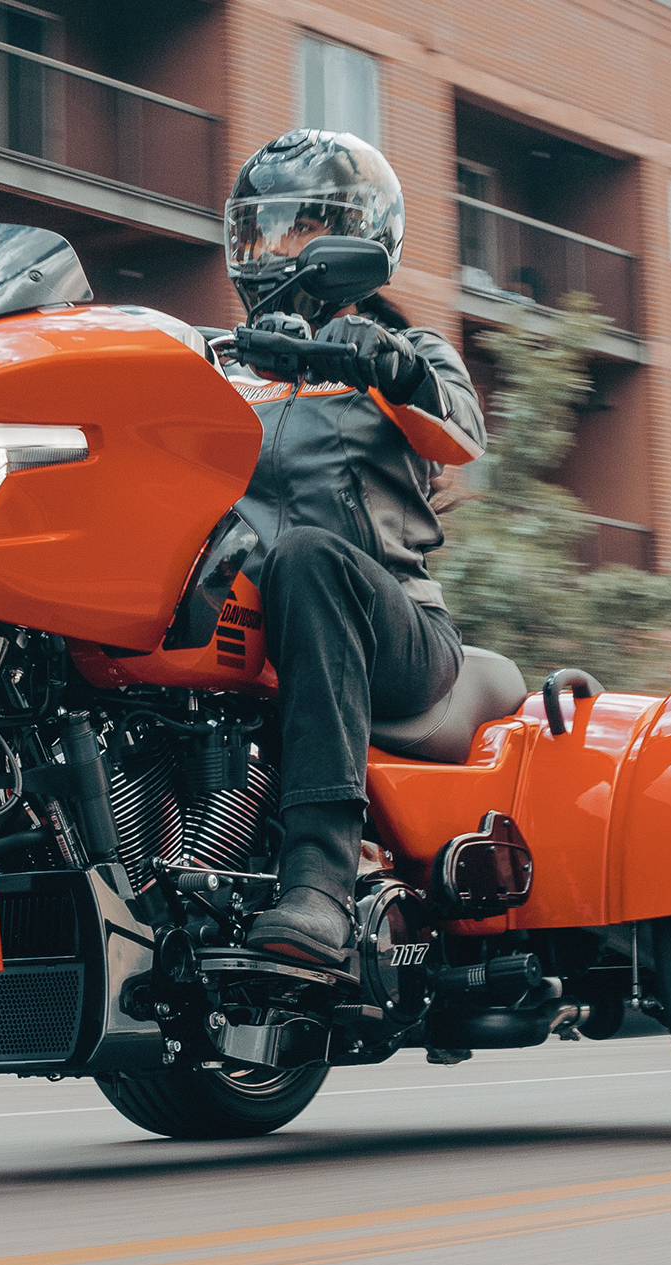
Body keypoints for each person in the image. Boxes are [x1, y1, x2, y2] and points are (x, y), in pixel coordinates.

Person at [220, 130, 486, 974]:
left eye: (302, 228)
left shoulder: (407, 354)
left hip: (396, 635)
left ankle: (318, 881)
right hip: (260, 631)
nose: (278, 251)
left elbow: (459, 436)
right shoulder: (222, 364)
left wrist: (389, 366)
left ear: (356, 240)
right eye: (261, 231)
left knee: (304, 556)